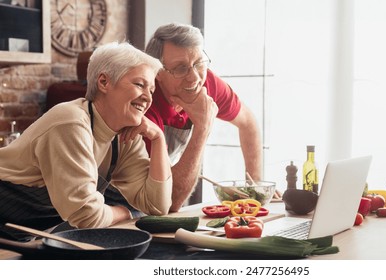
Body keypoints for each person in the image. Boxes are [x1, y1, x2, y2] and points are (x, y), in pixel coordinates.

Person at [0, 41, 172, 241]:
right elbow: (87, 217)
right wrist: (124, 212)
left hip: (16, 236)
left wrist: (159, 138)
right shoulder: (70, 122)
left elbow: (157, 206)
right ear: (104, 82)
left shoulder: (125, 136)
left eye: (151, 90)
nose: (147, 98)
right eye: (139, 84)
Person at [144, 22, 265, 212]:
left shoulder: (208, 82)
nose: (194, 78)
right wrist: (202, 128)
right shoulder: (144, 104)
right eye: (180, 68)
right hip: (120, 199)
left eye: (199, 63)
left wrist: (256, 191)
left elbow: (248, 123)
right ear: (157, 72)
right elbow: (169, 201)